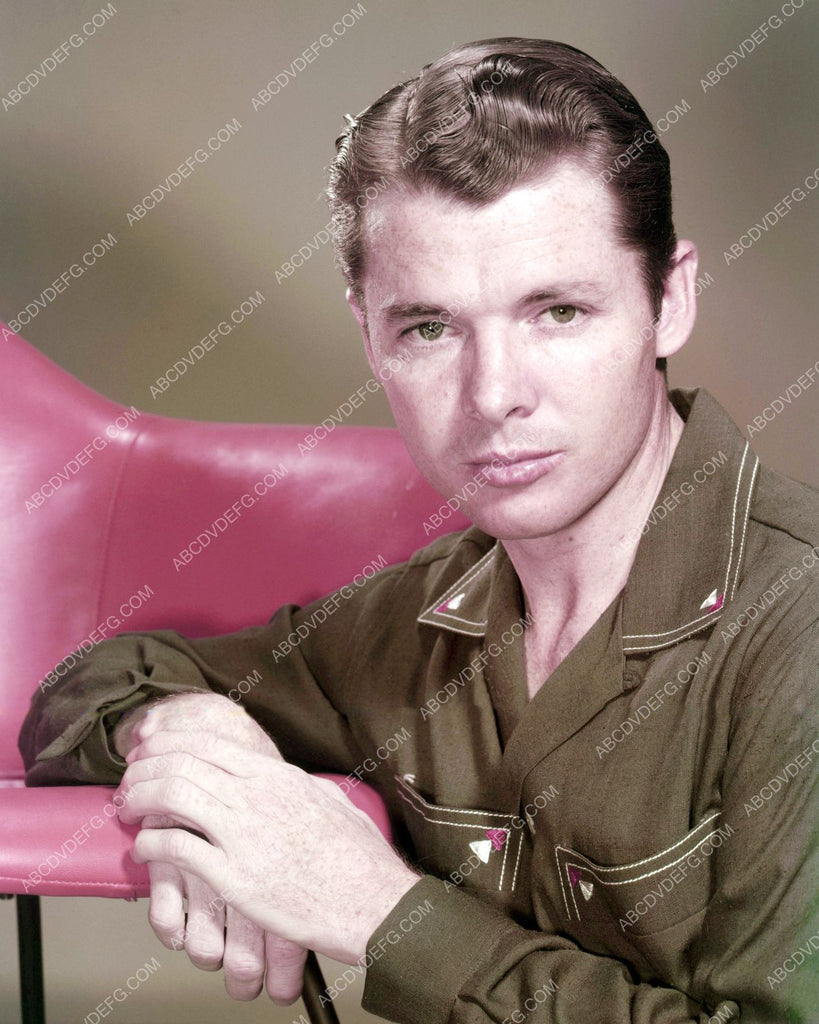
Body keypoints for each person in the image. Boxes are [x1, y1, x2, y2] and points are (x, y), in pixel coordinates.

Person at [20, 37, 818, 1023]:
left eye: (558, 312)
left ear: (670, 299)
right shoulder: (411, 627)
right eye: (430, 329)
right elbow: (91, 688)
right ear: (369, 334)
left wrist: (373, 908)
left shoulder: (795, 626)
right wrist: (198, 745)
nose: (493, 395)